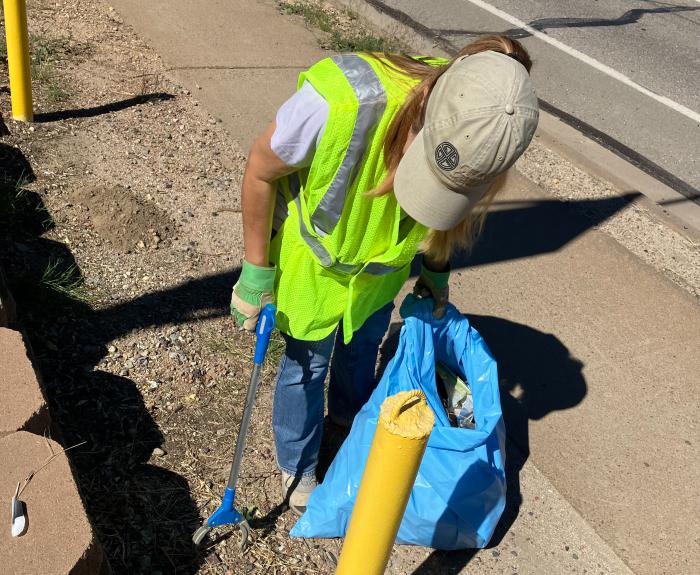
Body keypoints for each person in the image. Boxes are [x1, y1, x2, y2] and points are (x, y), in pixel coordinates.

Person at [230, 35, 539, 515]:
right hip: (314, 272)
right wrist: (255, 268)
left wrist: (436, 272)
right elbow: (260, 170)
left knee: (363, 348)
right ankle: (297, 465)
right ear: (427, 115)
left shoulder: (481, 125)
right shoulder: (338, 102)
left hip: (378, 281)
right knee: (306, 366)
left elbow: (441, 222)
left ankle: (350, 419)